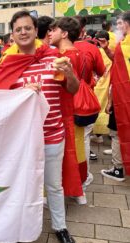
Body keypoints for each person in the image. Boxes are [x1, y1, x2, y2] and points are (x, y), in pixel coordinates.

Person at [0, 10, 78, 243]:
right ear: (13, 34)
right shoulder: (8, 63)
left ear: (35, 30)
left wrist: (70, 72)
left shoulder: (55, 57)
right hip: (22, 139)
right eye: (18, 29)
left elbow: (72, 90)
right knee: (21, 184)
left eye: (27, 28)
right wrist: (21, 93)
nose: (23, 32)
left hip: (52, 134)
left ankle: (61, 227)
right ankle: (18, 229)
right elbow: (1, 100)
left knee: (53, 185)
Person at [48, 17, 87, 204]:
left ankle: (69, 191)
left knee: (64, 155)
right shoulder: (77, 52)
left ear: (63, 33)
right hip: (70, 108)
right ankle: (77, 192)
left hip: (62, 108)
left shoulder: (62, 56)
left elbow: (57, 83)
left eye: (54, 30)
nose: (50, 33)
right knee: (72, 151)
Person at [74, 16, 106, 188]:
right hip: (84, 100)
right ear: (83, 30)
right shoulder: (91, 49)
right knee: (83, 138)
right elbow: (101, 71)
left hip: (62, 101)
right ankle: (83, 177)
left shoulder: (55, 49)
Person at [99, 11, 130, 180]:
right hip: (123, 95)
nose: (118, 26)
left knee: (117, 131)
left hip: (124, 97)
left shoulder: (126, 45)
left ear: (126, 23)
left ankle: (118, 169)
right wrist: (107, 50)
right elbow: (119, 62)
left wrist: (112, 99)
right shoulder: (123, 44)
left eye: (120, 23)